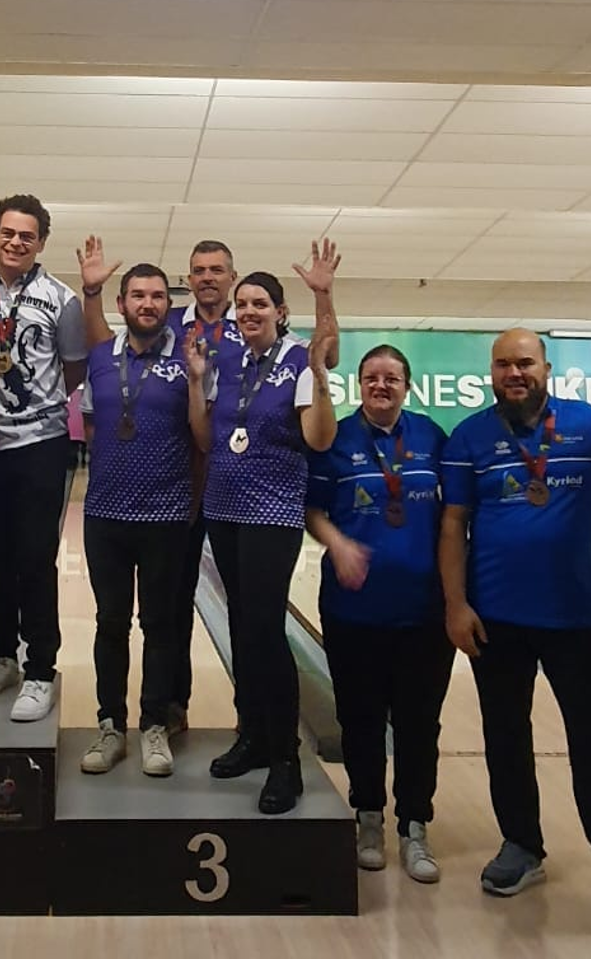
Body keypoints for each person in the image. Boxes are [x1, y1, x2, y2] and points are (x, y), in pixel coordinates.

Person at [438, 328, 591, 944]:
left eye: (524, 362)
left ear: (546, 368)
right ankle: (521, 844)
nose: (514, 373)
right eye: (503, 364)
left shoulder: (590, 427)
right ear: (491, 372)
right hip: (495, 616)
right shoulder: (469, 437)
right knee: (505, 735)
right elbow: (453, 523)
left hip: (571, 616)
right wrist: (455, 605)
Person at [78, 237, 339, 735]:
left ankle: (251, 718)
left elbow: (326, 356)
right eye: (198, 270)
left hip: (233, 492)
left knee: (246, 616)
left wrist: (324, 296)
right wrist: (92, 294)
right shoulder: (173, 325)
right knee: (173, 606)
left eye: (218, 270)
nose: (208, 278)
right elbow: (107, 353)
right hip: (182, 493)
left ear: (232, 276)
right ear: (190, 277)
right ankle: (172, 708)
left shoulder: (251, 332)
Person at [185, 247, 339, 815]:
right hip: (224, 509)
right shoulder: (226, 360)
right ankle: (251, 735)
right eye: (243, 304)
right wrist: (196, 383)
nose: (249, 311)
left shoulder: (298, 359)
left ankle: (285, 758)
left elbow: (319, 439)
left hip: (272, 513)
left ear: (279, 311)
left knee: (266, 631)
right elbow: (206, 438)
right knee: (241, 630)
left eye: (260, 304)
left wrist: (320, 377)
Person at [305, 343, 454, 882]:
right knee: (360, 719)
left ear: (407, 386)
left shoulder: (432, 437)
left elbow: (454, 516)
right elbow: (312, 510)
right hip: (353, 612)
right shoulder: (336, 439)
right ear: (360, 384)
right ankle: (368, 815)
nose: (381, 385)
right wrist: (338, 543)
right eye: (372, 377)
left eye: (392, 377)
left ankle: (415, 825)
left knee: (419, 724)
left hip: (424, 611)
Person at [0, 194, 87, 723]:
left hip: (41, 441)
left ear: (41, 242)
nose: (16, 242)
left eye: (27, 236)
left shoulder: (61, 298)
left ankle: (40, 668)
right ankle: (1, 655)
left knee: (36, 558)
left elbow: (73, 370)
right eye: (8, 233)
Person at [77, 263, 192, 777]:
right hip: (105, 513)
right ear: (122, 304)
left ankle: (153, 725)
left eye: (158, 296)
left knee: (160, 625)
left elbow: (200, 432)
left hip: (166, 513)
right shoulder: (101, 357)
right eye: (138, 295)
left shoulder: (187, 359)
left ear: (169, 304)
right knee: (110, 622)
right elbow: (92, 425)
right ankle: (110, 724)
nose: (148, 304)